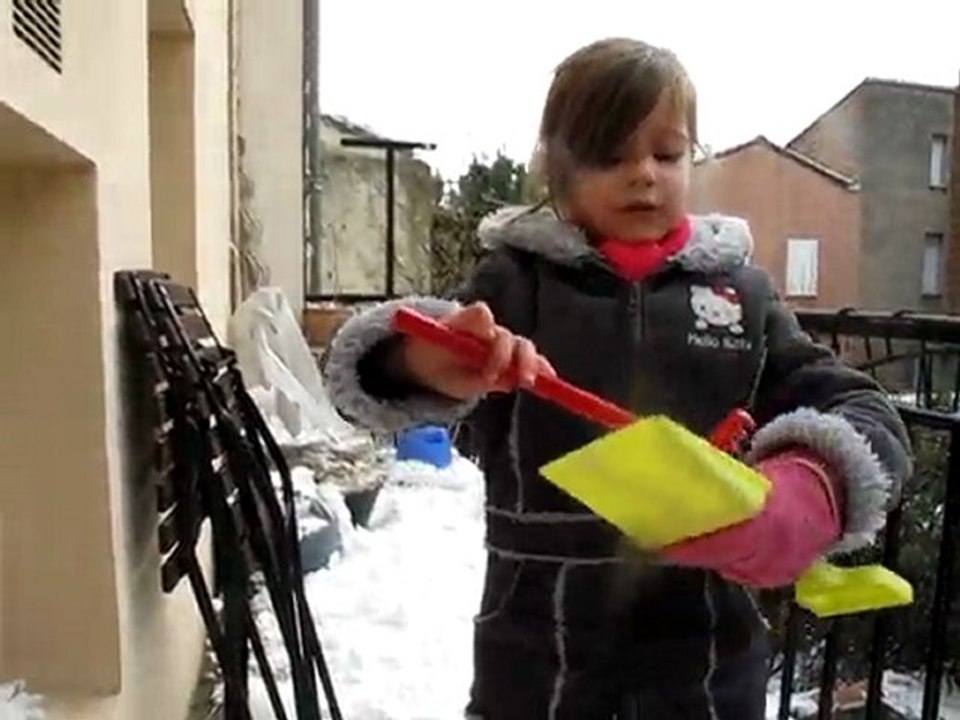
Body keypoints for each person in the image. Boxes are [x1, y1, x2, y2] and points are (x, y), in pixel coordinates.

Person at [323, 37, 912, 720]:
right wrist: (426, 360)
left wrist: (810, 488)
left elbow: (863, 410)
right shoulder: (513, 285)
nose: (643, 174)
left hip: (708, 669)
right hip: (538, 663)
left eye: (666, 153)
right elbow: (368, 376)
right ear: (557, 169)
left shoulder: (740, 296)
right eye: (610, 153)